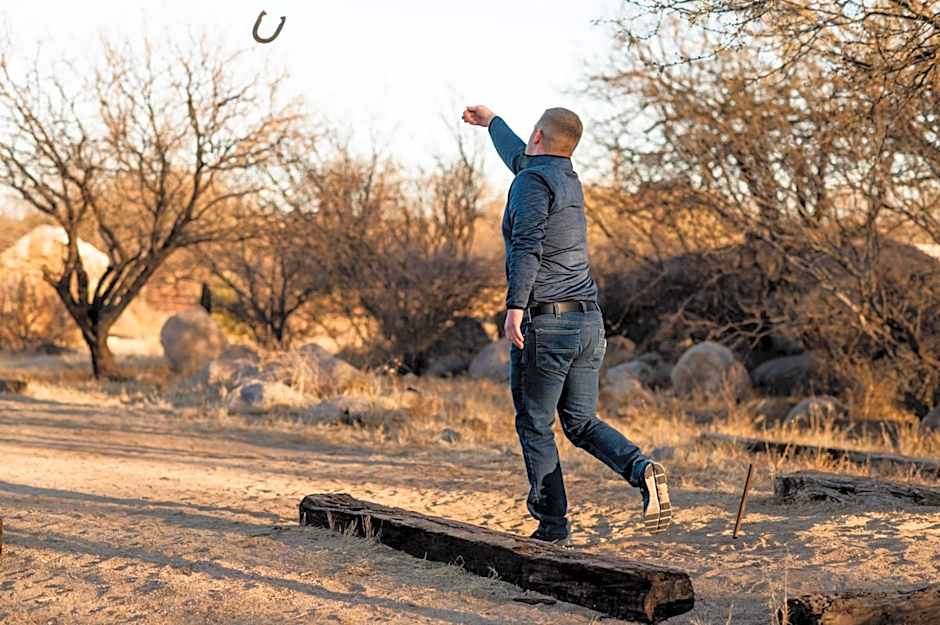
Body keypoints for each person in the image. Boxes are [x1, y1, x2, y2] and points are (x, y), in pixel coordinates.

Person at [461, 105, 671, 545]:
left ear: (538, 136)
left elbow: (527, 244)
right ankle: (642, 469)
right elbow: (523, 159)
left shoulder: (530, 183)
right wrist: (493, 123)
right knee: (580, 422)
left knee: (535, 424)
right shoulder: (564, 178)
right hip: (588, 322)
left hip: (547, 325)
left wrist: (515, 305)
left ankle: (552, 527)